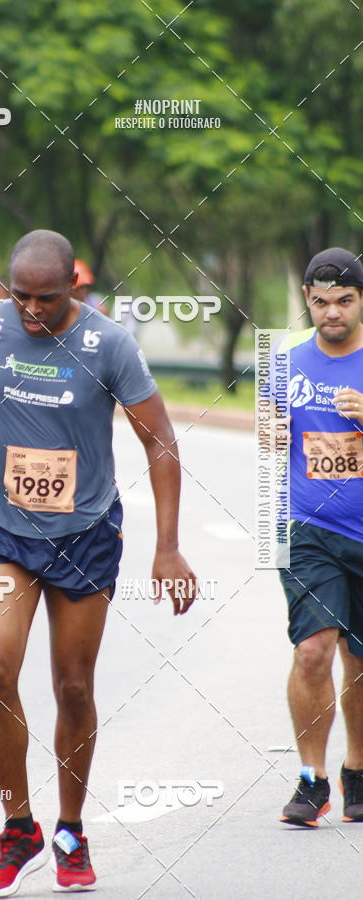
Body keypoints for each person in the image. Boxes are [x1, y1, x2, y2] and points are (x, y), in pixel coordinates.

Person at [0, 229, 197, 896]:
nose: (31, 311)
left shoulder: (109, 344)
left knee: (73, 687)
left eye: (45, 299)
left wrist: (167, 546)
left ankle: (71, 828)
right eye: (19, 296)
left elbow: (160, 441)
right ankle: (18, 826)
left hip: (84, 534)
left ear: (72, 286)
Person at [272, 248, 363, 828]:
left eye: (345, 301)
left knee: (360, 660)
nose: (332, 312)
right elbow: (269, 444)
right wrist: (271, 431)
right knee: (314, 650)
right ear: (308, 299)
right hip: (309, 528)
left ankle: (357, 769)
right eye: (321, 301)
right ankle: (313, 779)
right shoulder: (284, 366)